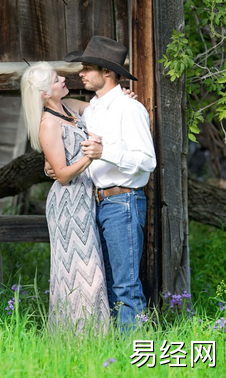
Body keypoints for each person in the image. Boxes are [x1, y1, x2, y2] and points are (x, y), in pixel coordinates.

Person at [60, 36, 157, 328]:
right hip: (99, 202)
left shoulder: (129, 109)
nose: (81, 73)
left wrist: (105, 153)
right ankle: (117, 343)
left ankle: (135, 345)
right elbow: (58, 105)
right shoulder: (94, 109)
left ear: (107, 72)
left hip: (123, 201)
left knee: (125, 283)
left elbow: (147, 160)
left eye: (87, 68)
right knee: (110, 280)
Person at [21, 62, 110, 333]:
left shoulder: (70, 107)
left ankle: (94, 336)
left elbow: (100, 107)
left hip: (85, 198)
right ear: (45, 93)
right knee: (80, 271)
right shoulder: (48, 124)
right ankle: (76, 337)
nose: (63, 79)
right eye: (55, 79)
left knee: (92, 269)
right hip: (68, 203)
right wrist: (91, 156)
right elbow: (61, 175)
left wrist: (122, 97)